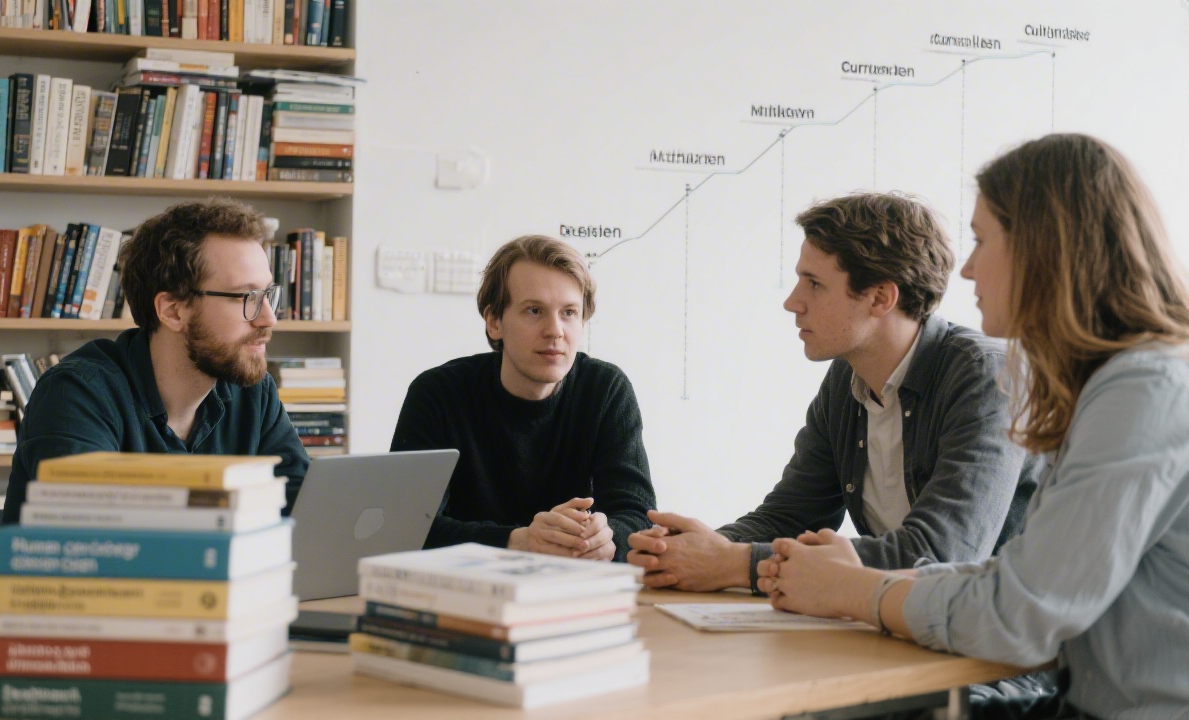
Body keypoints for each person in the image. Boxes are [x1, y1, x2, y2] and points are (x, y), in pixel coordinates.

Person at [761, 134, 1189, 717]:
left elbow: (1021, 612)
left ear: (1046, 249)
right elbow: (1018, 580)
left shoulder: (1145, 390)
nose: (965, 268)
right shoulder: (1109, 384)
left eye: (983, 240)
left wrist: (852, 588)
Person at [627, 192, 1040, 591]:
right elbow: (791, 515)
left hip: (1007, 651)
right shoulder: (848, 378)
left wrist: (734, 564)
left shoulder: (986, 376)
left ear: (880, 297)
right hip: (908, 626)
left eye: (814, 284)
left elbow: (941, 555)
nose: (793, 302)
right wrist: (684, 549)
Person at [4, 198, 308, 523]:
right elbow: (98, 542)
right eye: (246, 297)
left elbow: (308, 512)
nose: (268, 319)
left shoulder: (253, 392)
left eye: (268, 296)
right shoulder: (76, 394)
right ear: (173, 311)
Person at [390, 234, 656, 561]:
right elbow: (407, 530)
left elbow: (639, 517)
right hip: (461, 588)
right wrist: (520, 541)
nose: (555, 330)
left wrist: (607, 536)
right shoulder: (437, 394)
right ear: (494, 322)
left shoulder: (605, 389)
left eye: (569, 312)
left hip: (571, 589)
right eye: (534, 310)